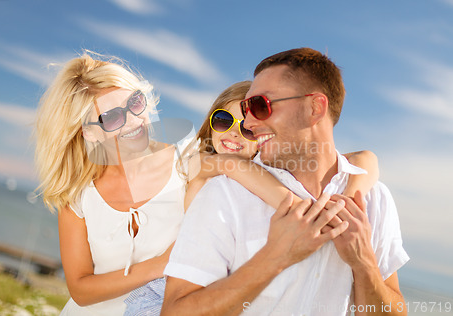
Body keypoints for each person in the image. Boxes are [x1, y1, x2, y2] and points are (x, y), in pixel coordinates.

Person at [162, 48, 409, 315]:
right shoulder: (224, 192)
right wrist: (275, 257)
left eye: (260, 106)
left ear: (314, 108)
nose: (249, 122)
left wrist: (365, 266)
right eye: (246, 109)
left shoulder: (374, 199)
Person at [124, 80, 379, 315]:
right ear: (210, 121)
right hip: (170, 297)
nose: (234, 133)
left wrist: (343, 201)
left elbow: (366, 158)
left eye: (247, 129)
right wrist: (314, 214)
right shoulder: (202, 163)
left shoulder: (271, 174)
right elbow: (236, 167)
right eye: (224, 120)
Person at [34, 53, 193, 315]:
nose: (133, 121)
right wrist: (160, 264)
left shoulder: (188, 164)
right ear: (90, 131)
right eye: (112, 117)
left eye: (135, 102)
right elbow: (81, 290)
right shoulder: (77, 194)